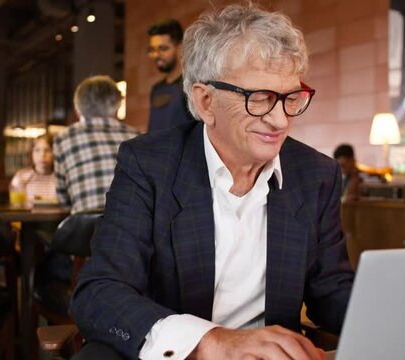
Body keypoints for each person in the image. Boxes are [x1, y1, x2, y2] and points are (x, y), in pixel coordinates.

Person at [71, 4, 354, 360]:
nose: (280, 120)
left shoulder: (316, 174)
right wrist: (211, 341)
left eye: (290, 98)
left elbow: (331, 291)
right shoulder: (149, 164)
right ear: (206, 102)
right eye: (260, 99)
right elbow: (99, 291)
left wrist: (403, 315)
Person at [54, 75, 139, 214]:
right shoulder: (138, 137)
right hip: (133, 230)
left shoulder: (63, 138)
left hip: (84, 230)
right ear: (117, 106)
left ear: (78, 108)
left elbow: (63, 199)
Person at [146, 19, 195, 132]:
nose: (156, 55)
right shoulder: (156, 89)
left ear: (179, 47)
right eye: (153, 50)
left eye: (163, 48)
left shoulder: (190, 85)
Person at [10, 134, 57, 203]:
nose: (42, 155)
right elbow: (15, 205)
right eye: (37, 150)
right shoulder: (21, 177)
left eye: (47, 150)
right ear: (32, 154)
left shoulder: (60, 178)